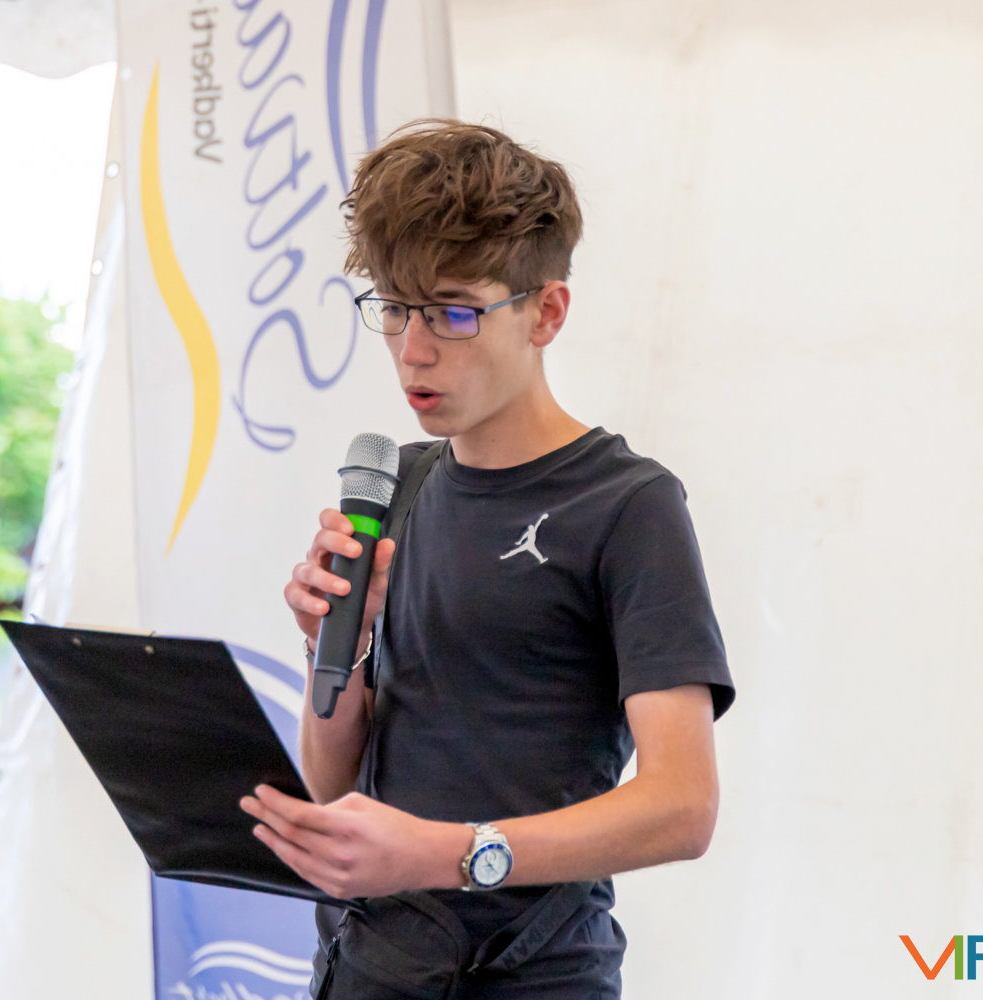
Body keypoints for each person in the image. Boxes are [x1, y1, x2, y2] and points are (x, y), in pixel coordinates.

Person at [239, 120, 736, 999]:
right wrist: (334, 644)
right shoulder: (397, 485)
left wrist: (447, 853)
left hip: (528, 976)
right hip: (369, 965)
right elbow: (333, 778)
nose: (413, 349)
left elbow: (683, 806)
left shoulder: (628, 505)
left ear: (546, 312)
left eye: (453, 312)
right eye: (395, 309)